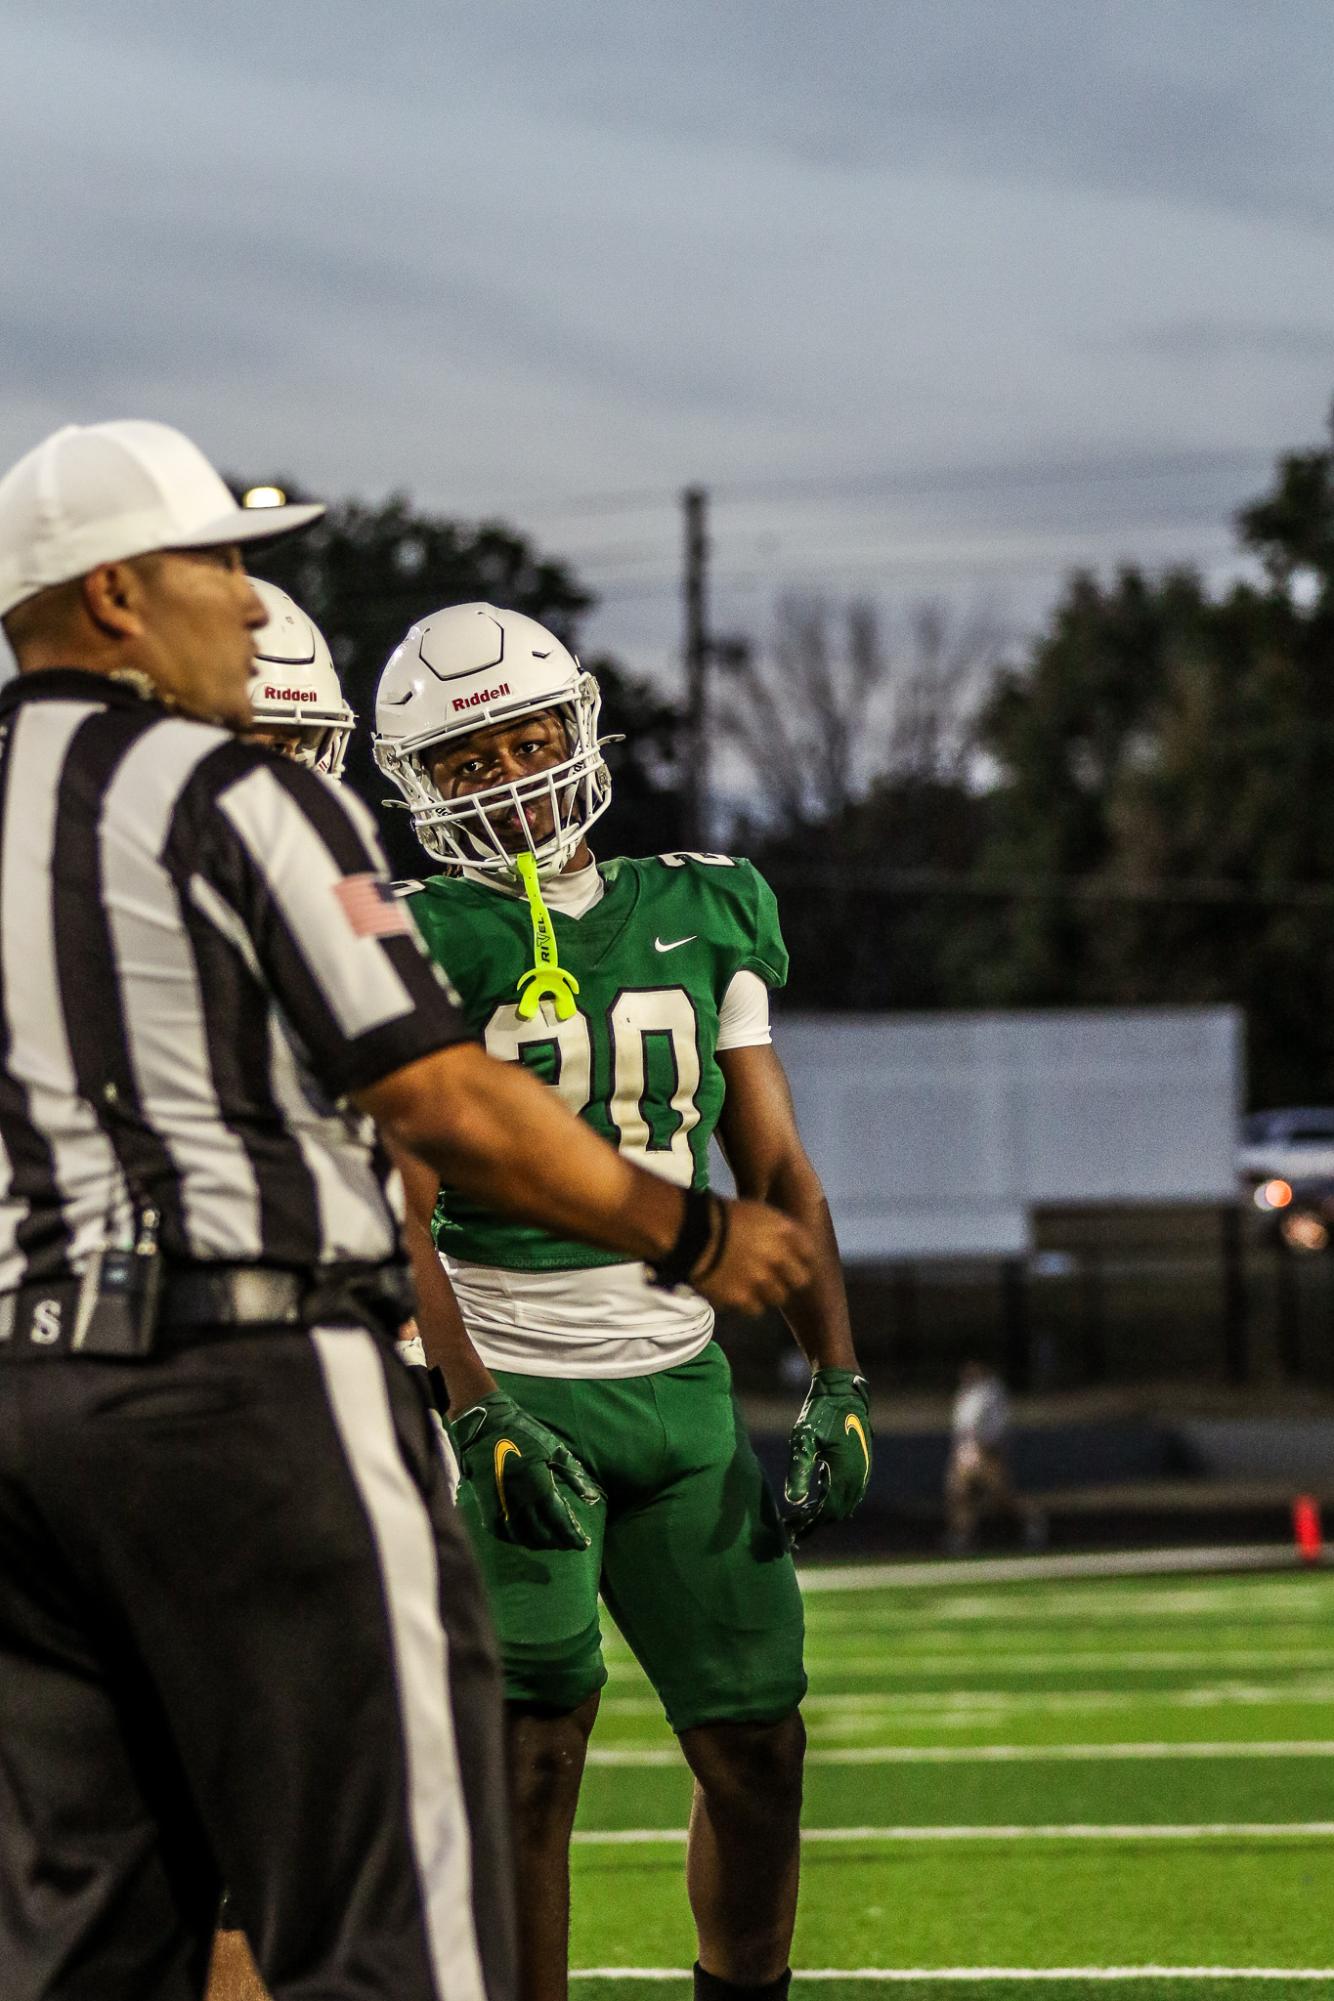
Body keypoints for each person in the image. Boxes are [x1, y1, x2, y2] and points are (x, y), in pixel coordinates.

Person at [0, 425, 813, 2001]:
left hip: (19, 1395)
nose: (248, 605)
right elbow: (435, 1095)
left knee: (90, 1912)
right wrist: (691, 1232)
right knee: (382, 1888)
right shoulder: (237, 798)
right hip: (239, 1377)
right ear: (112, 596)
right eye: (216, 566)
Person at [373, 602, 872, 2001]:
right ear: (422, 785)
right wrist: (469, 1411)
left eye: (528, 735)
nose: (513, 773)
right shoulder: (409, 933)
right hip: (512, 1367)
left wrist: (834, 1371)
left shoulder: (705, 902)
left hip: (682, 1383)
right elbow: (399, 1206)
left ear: (581, 723)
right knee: (534, 1748)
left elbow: (770, 1161)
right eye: (470, 757)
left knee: (760, 1743)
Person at [945, 1358, 1045, 1553]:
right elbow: (961, 1426)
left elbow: (996, 1425)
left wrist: (988, 1449)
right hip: (966, 1452)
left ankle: (1034, 1521)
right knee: (959, 1494)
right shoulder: (966, 1392)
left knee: (1001, 1497)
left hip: (986, 1453)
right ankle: (962, 1535)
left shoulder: (992, 1392)